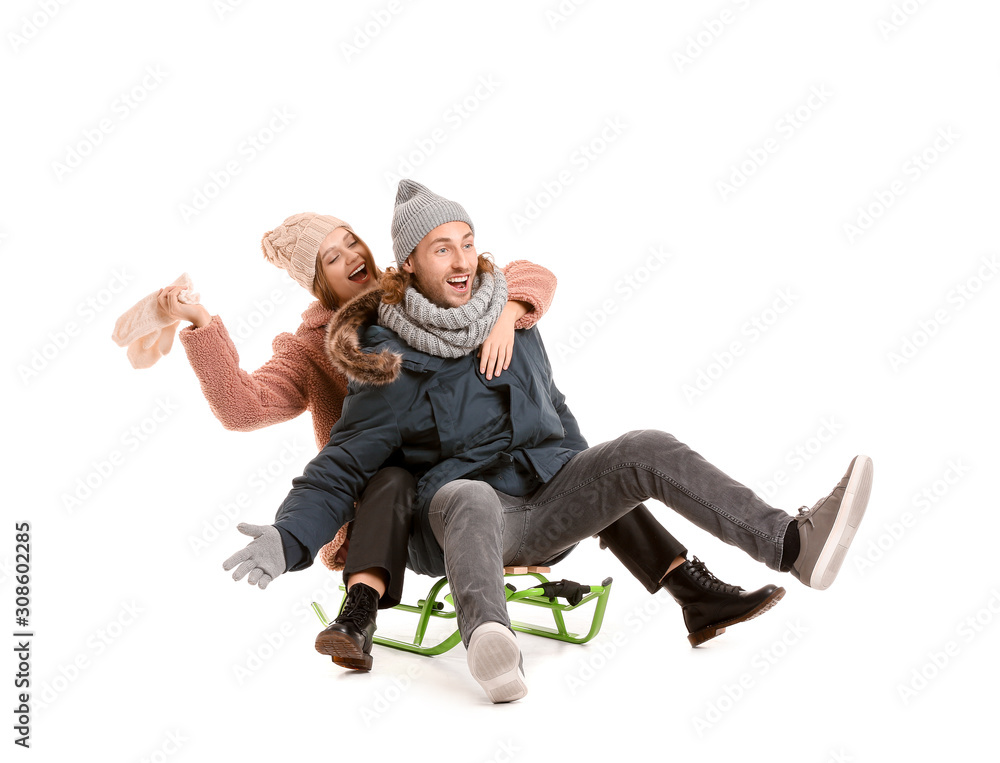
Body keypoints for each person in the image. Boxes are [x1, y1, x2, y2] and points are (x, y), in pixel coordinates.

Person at [216, 196, 789, 673]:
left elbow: (525, 275)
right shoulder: (335, 344)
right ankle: (364, 605)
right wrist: (200, 330)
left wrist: (507, 310)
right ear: (317, 282)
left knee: (587, 458)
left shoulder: (434, 291)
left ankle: (694, 583)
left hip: (489, 468)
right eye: (332, 259)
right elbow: (258, 413)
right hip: (398, 494)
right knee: (393, 479)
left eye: (351, 242)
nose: (351, 259)